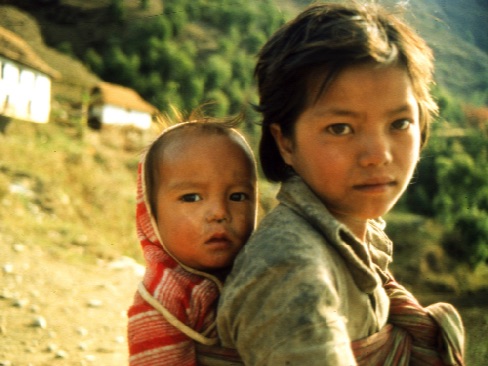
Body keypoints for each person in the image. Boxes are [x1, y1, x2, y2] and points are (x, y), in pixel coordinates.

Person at [216, 2, 465, 365]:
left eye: (399, 124)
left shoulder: (356, 238)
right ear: (285, 141)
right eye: (340, 128)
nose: (378, 155)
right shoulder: (291, 272)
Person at [127, 118, 258, 366]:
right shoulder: (164, 300)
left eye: (238, 196)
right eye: (192, 197)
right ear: (151, 215)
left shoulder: (263, 269)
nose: (219, 212)